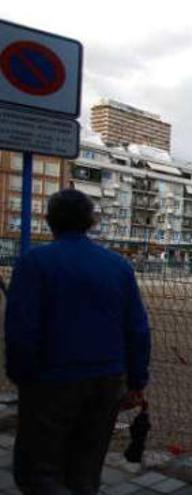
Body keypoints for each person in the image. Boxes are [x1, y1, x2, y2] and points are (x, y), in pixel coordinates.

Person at [5, 189, 151, 495]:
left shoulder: (34, 263)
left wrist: (21, 375)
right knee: (86, 467)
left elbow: (21, 328)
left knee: (38, 470)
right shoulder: (118, 266)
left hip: (50, 380)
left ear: (49, 221)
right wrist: (136, 381)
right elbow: (137, 329)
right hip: (107, 380)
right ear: (91, 221)